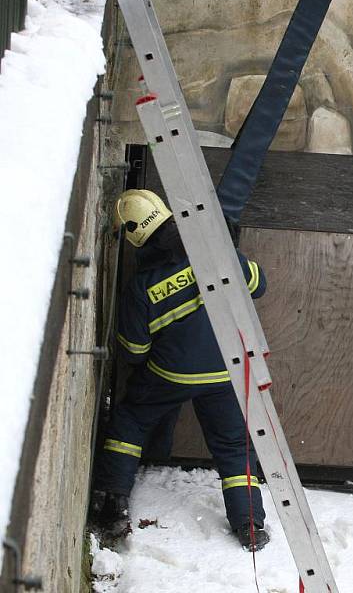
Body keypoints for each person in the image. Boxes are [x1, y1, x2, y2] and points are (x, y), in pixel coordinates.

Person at [90, 189, 269, 551]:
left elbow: (133, 350)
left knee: (131, 421)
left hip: (170, 376)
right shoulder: (216, 255)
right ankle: (250, 524)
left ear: (135, 238)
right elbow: (258, 285)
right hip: (225, 372)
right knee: (234, 447)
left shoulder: (142, 286)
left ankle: (113, 504)